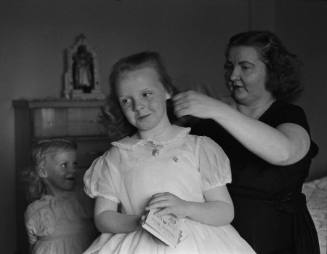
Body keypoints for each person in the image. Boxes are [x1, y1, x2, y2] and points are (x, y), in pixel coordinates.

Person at [82, 51, 255, 254]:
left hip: (200, 245)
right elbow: (103, 217)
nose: (138, 106)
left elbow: (225, 211)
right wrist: (138, 222)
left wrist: (186, 208)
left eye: (146, 94)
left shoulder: (199, 147)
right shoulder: (116, 156)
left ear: (166, 90)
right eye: (126, 101)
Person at [173, 30, 320, 253]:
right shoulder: (207, 125)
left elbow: (285, 153)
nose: (232, 76)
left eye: (245, 67)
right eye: (229, 66)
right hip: (224, 240)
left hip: (281, 238)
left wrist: (217, 108)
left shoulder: (289, 114)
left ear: (272, 71)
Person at [23, 139, 97, 254]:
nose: (72, 169)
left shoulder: (84, 200)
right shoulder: (35, 210)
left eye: (74, 164)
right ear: (43, 172)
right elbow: (32, 244)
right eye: (64, 165)